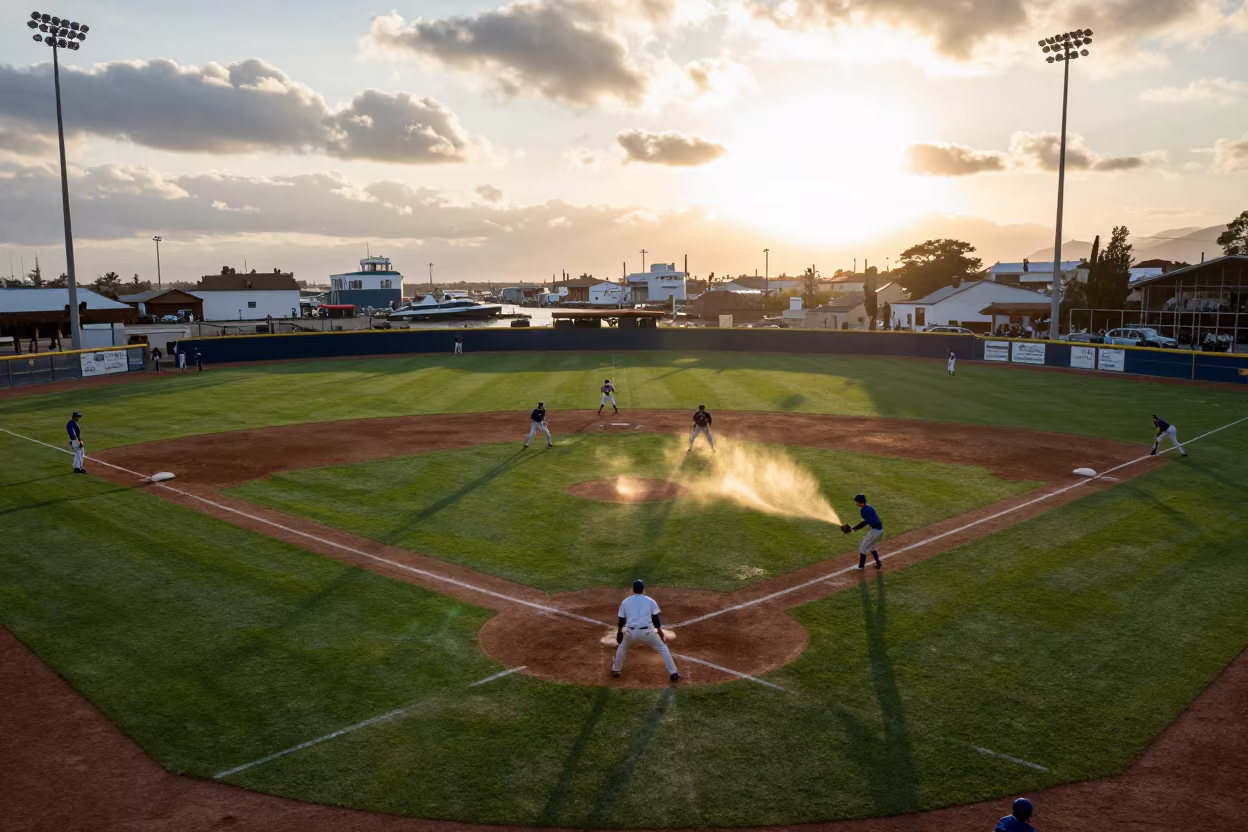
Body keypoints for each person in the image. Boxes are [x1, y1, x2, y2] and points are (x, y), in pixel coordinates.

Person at [611, 579, 680, 683]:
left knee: (622, 647)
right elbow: (655, 619)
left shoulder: (625, 602)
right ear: (643, 589)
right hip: (648, 634)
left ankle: (615, 670)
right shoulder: (650, 601)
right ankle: (673, 673)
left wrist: (619, 632)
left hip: (631, 633)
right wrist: (660, 631)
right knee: (662, 647)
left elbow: (621, 620)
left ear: (633, 589)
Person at [843, 494, 883, 570]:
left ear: (860, 502)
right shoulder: (868, 507)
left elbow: (865, 522)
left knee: (862, 548)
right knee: (871, 547)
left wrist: (853, 529)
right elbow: (868, 522)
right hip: (876, 529)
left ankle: (861, 566)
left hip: (875, 531)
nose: (856, 503)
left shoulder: (865, 510)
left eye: (857, 502)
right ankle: (878, 563)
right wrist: (854, 528)